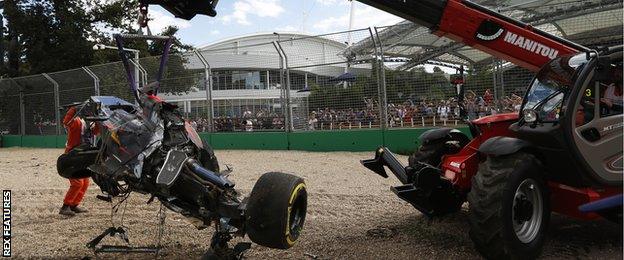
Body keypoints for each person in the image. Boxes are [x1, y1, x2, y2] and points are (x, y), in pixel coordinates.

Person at [59, 106, 99, 216]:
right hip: (73, 155)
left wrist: (99, 120)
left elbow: (95, 132)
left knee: (85, 182)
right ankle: (65, 206)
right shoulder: (76, 121)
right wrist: (74, 109)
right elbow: (67, 122)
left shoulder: (88, 123)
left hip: (82, 155)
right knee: (77, 182)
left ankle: (73, 205)